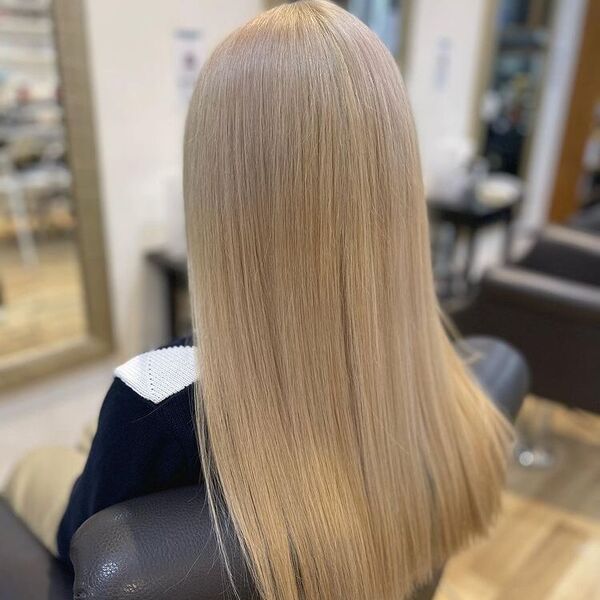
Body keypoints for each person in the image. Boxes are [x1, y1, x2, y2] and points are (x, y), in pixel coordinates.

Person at [4, 2, 512, 599]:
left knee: (34, 464)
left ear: (215, 189)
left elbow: (78, 541)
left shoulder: (156, 391)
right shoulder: (437, 366)